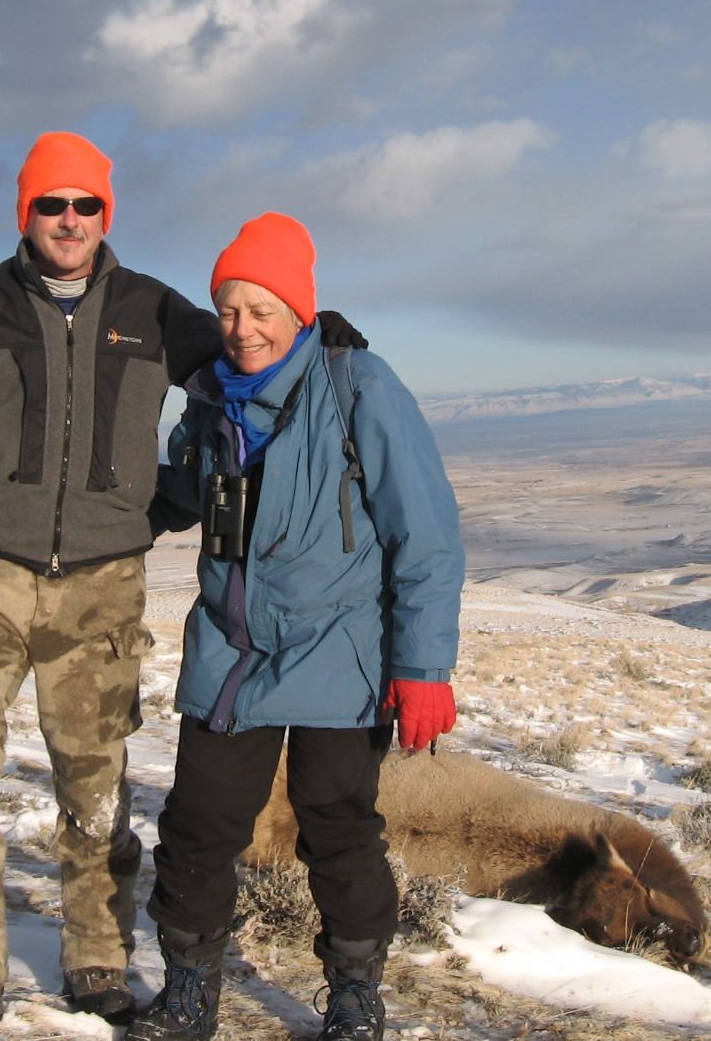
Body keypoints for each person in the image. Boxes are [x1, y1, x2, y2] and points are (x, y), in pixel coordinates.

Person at [0, 137, 365, 1034]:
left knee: (95, 779)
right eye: (51, 205)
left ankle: (99, 957)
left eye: (87, 206)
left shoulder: (154, 309)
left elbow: (245, 354)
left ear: (108, 214)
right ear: (24, 213)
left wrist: (313, 334)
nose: (70, 221)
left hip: (102, 583)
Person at [128, 213, 464, 1041]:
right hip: (232, 649)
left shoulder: (361, 387)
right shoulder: (208, 401)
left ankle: (354, 997)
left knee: (339, 831)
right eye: (229, 309)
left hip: (339, 652)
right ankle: (187, 992)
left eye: (262, 308)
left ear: (299, 310)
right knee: (198, 828)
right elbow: (181, 497)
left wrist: (423, 668)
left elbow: (425, 535)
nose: (242, 329)